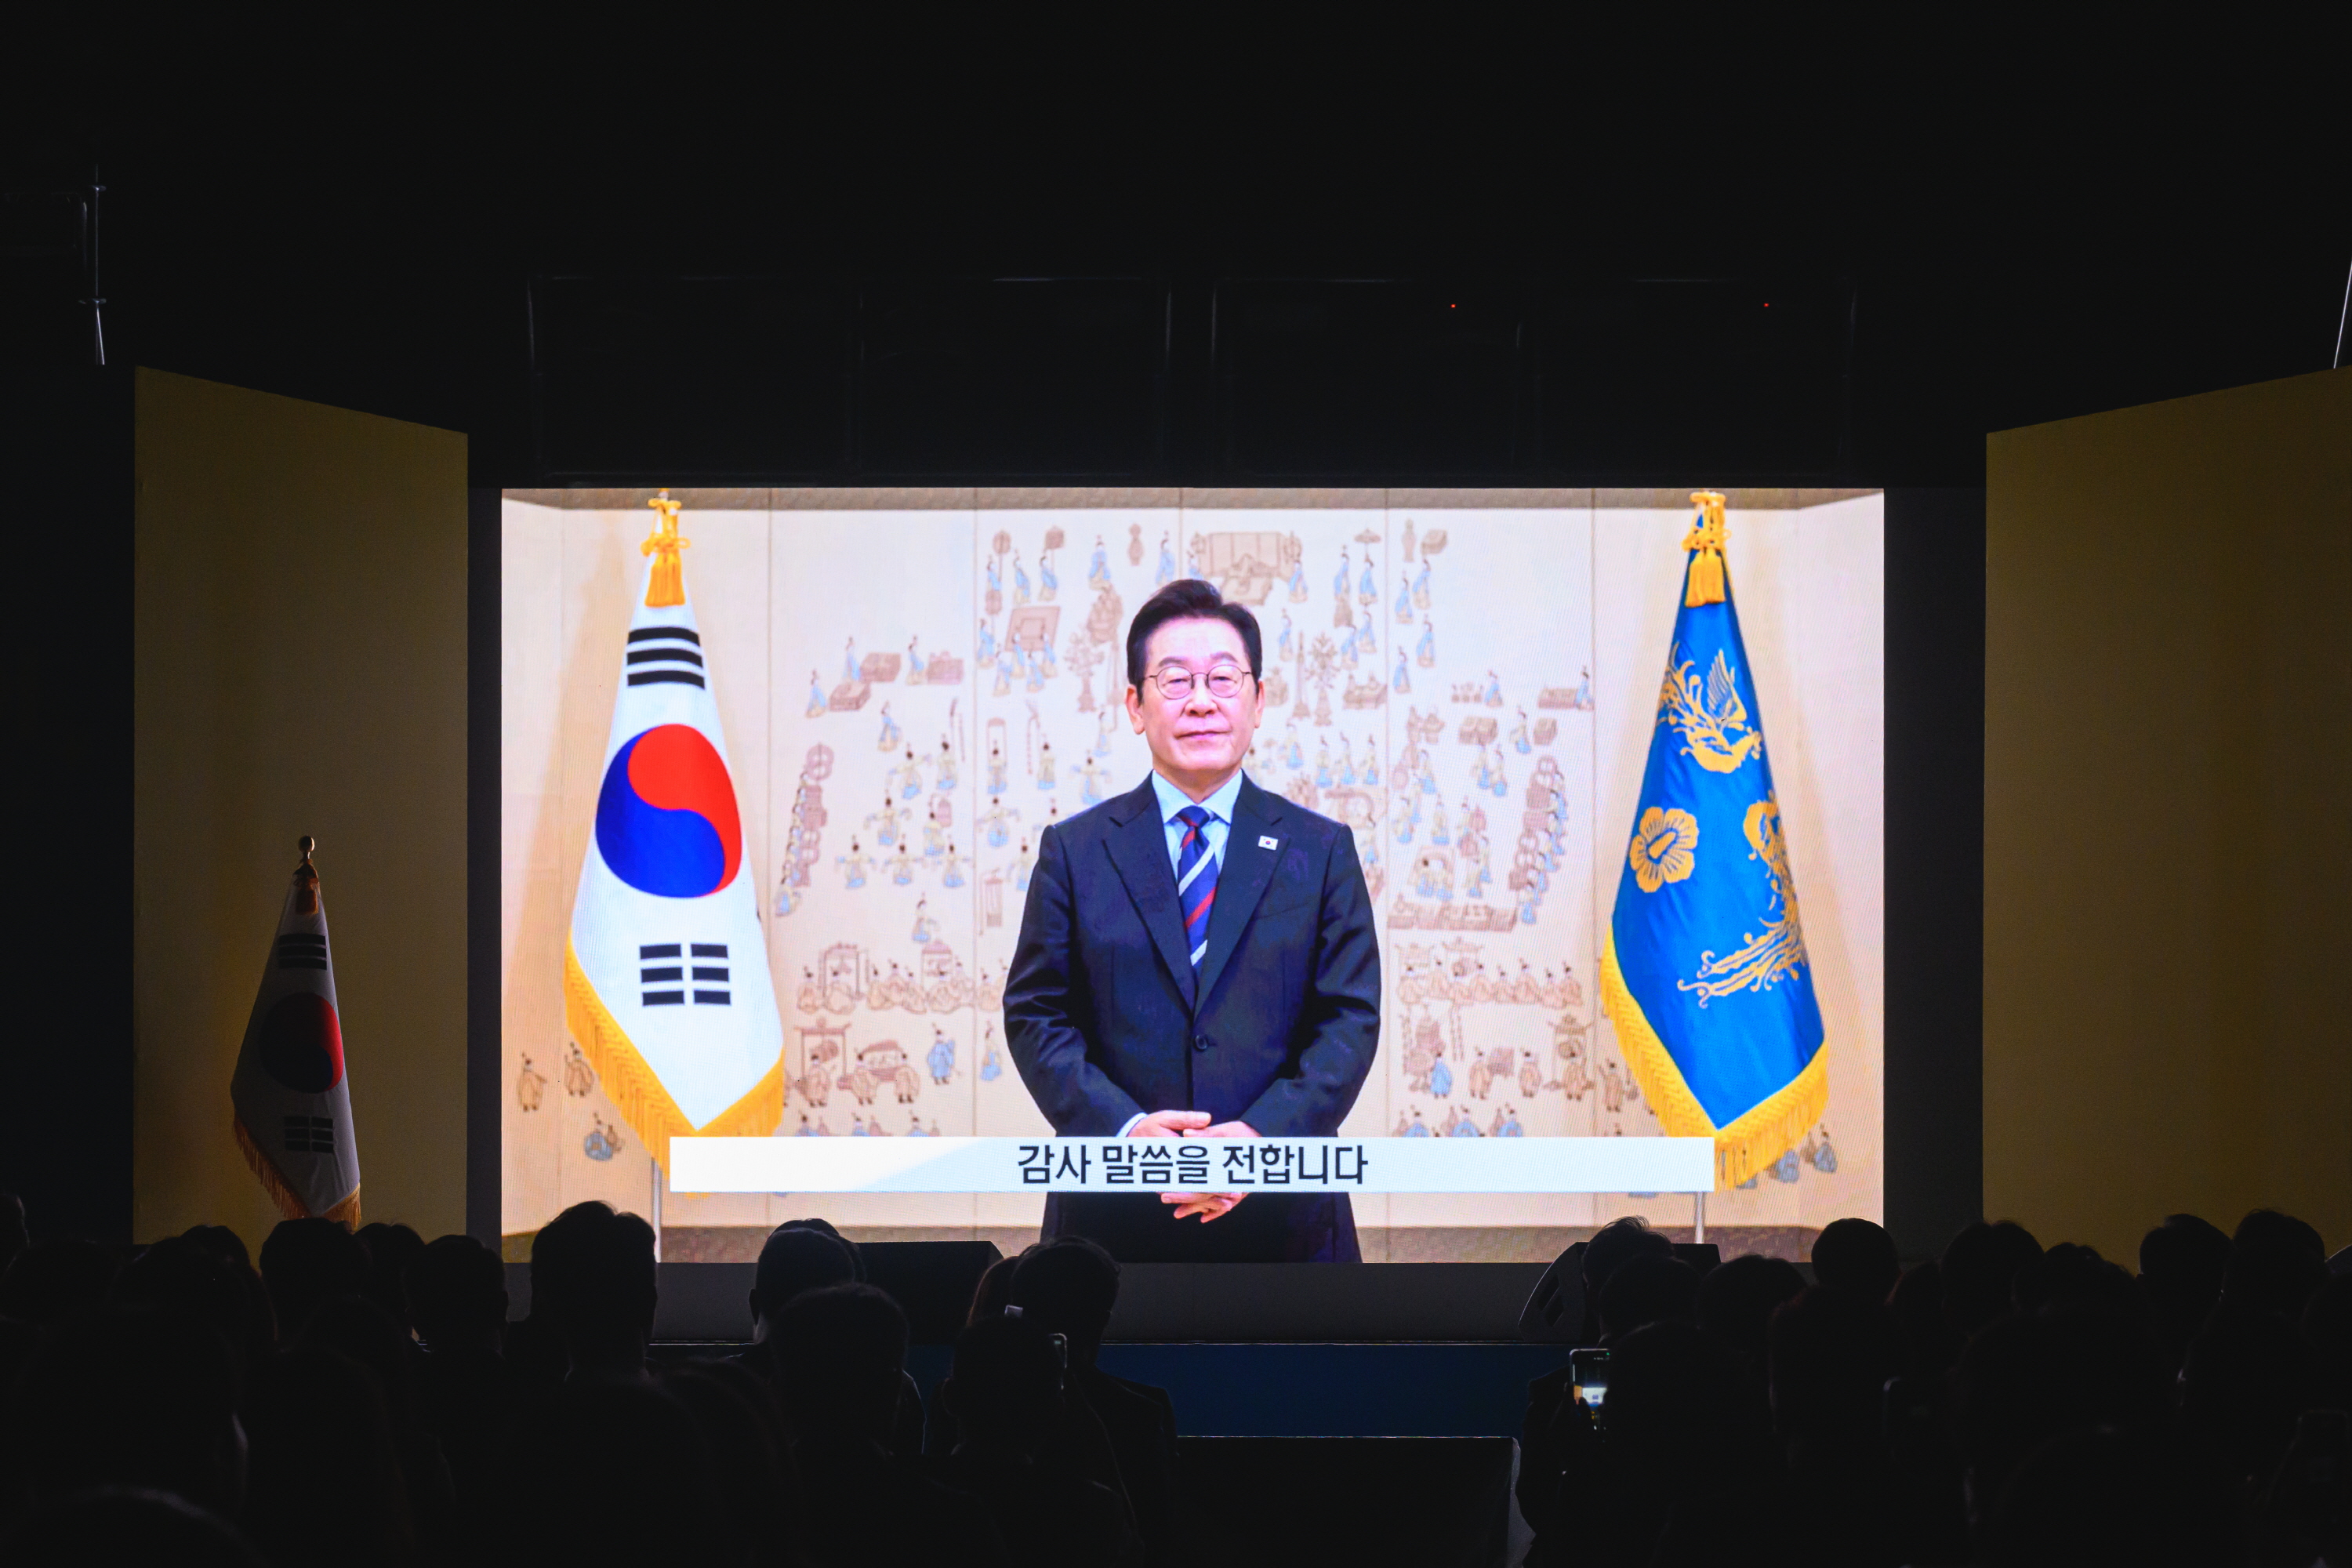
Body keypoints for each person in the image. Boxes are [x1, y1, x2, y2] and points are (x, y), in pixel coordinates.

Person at [1003, 579, 1381, 1262]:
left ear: (1258, 701)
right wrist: (1126, 1133)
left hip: (1286, 1223)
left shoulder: (1321, 850)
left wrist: (1260, 1140)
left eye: (1223, 679)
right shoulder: (1076, 851)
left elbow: (1349, 1021)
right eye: (1175, 680)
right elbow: (1036, 1016)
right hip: (1110, 1228)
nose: (1201, 701)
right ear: (1135, 706)